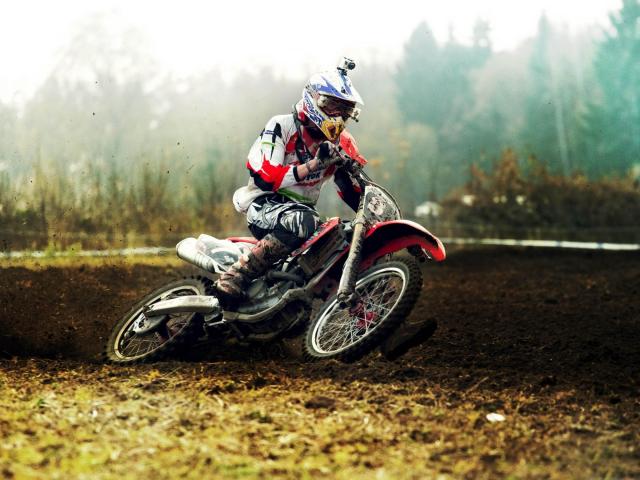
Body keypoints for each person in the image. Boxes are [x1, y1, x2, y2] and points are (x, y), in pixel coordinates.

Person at [215, 59, 366, 301]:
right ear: (314, 99)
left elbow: (354, 192)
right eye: (332, 107)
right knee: (303, 221)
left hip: (303, 212)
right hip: (264, 204)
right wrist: (313, 165)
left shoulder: (342, 142)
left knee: (345, 234)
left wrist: (386, 226)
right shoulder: (282, 126)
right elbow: (266, 179)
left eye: (345, 111)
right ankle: (235, 275)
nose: (338, 116)